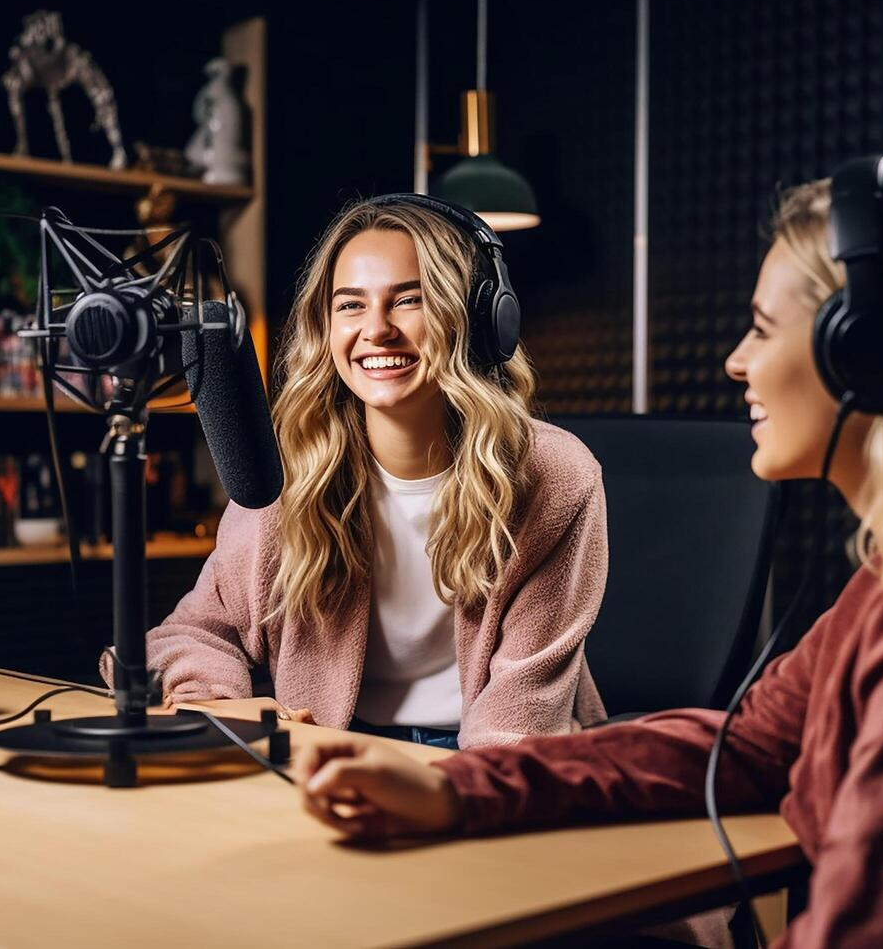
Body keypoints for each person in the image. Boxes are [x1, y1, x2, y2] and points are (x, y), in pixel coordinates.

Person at [294, 162, 883, 946]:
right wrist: (456, 792)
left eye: (761, 329)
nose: (736, 362)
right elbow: (746, 749)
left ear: (872, 354)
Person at [103, 195, 608, 749]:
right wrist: (223, 708)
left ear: (479, 318)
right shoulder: (288, 475)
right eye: (350, 305)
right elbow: (192, 633)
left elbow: (518, 720)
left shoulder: (553, 477)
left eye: (409, 300)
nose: (377, 330)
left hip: (491, 757)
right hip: (331, 744)